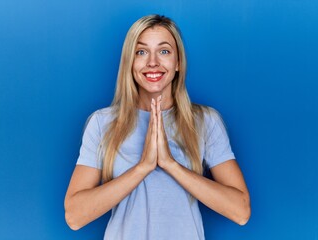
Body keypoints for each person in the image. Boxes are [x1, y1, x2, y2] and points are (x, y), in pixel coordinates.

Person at [64, 14, 250, 240]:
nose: (153, 62)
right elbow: (74, 216)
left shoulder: (205, 121)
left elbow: (240, 211)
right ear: (130, 62)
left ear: (178, 62)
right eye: (141, 52)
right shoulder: (102, 123)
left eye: (164, 51)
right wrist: (143, 166)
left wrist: (170, 164)